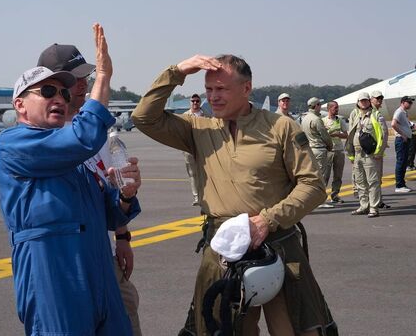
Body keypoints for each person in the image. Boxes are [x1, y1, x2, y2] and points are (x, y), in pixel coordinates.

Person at [131, 54, 337, 336]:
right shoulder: (197, 129)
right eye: (209, 90)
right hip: (223, 249)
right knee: (222, 329)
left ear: (247, 88)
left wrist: (267, 220)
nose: (213, 97)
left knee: (296, 327)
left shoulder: (281, 127)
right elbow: (144, 117)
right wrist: (177, 72)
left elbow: (312, 186)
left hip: (278, 243)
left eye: (222, 89)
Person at [0, 24, 141, 335]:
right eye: (47, 91)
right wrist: (103, 78)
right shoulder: (12, 145)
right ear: (19, 104)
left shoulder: (72, 155)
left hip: (97, 264)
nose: (59, 96)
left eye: (62, 91)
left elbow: (109, 214)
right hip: (54, 270)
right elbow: (83, 138)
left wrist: (125, 193)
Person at [38, 41, 143, 336]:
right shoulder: (47, 134)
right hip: (67, 262)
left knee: (127, 314)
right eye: (73, 79)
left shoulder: (99, 133)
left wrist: (123, 235)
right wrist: (106, 79)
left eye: (86, 76)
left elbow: (111, 186)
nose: (83, 84)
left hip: (103, 250)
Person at [345, 92, 388, 218]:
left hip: (370, 154)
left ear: (369, 101)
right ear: (358, 102)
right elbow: (350, 134)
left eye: (365, 100)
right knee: (360, 181)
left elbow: (383, 134)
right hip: (357, 154)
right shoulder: (355, 114)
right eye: (361, 101)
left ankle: (374, 208)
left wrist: (379, 152)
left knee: (373, 181)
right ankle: (364, 206)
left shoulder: (375, 114)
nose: (363, 103)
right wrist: (351, 154)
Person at [301, 97, 333, 184]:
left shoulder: (305, 118)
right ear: (316, 106)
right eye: (319, 104)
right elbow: (325, 136)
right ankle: (320, 196)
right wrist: (330, 146)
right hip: (319, 149)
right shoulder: (316, 119)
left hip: (309, 149)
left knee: (311, 176)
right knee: (321, 176)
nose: (320, 107)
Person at [183, 93, 208, 206]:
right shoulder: (185, 116)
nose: (195, 103)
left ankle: (206, 195)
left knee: (206, 173)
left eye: (197, 101)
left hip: (204, 147)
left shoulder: (206, 115)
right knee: (193, 174)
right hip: (189, 148)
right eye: (193, 101)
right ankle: (197, 197)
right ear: (190, 102)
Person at [322, 101, 347, 206]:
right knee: (325, 175)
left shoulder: (340, 120)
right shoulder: (323, 121)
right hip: (328, 151)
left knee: (338, 175)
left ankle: (335, 195)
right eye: (335, 108)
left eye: (337, 108)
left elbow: (346, 135)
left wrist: (338, 134)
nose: (337, 110)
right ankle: (322, 197)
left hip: (339, 150)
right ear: (329, 108)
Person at [370, 90, 390, 209]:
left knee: (376, 178)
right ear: (371, 99)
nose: (379, 100)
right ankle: (375, 203)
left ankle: (377, 201)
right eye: (377, 98)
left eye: (381, 98)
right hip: (373, 151)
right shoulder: (371, 113)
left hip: (376, 150)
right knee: (374, 179)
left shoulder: (376, 112)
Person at [391, 96, 414, 193]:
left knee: (404, 162)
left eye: (411, 102)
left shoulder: (404, 113)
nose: (410, 104)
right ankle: (399, 185)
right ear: (402, 102)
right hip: (401, 140)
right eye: (408, 102)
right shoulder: (399, 112)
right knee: (401, 162)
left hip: (405, 140)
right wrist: (403, 134)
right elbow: (393, 124)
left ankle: (402, 184)